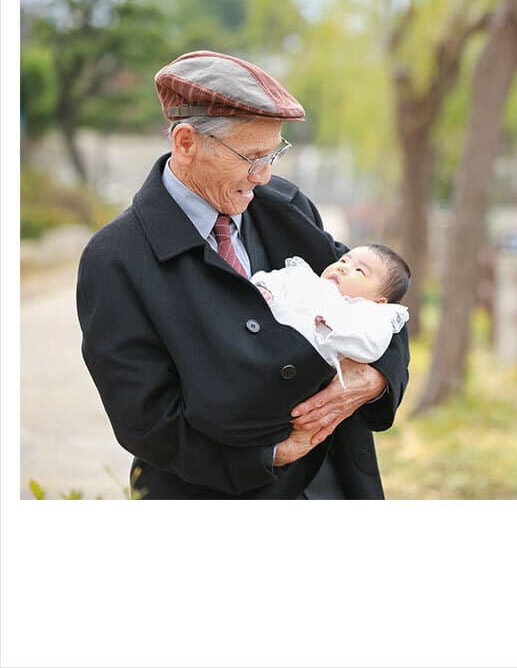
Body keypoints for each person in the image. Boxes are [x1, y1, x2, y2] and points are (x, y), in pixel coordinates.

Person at [76, 50, 410, 499]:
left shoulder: (284, 206)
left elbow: (375, 299)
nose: (265, 174)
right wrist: (271, 454)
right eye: (251, 156)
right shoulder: (115, 258)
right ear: (187, 143)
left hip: (334, 482)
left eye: (273, 154)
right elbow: (146, 420)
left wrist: (376, 379)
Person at [251, 244, 410, 390]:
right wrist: (265, 288)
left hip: (296, 375)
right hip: (258, 342)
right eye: (343, 260)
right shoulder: (305, 279)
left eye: (359, 270)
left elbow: (370, 345)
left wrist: (334, 329)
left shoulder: (365, 314)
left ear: (379, 301)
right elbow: (273, 278)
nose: (342, 268)